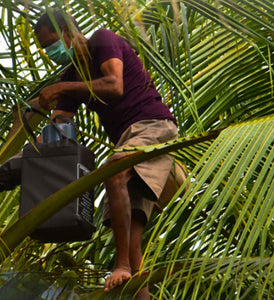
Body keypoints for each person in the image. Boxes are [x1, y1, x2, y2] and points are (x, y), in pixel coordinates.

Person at [34, 9, 178, 299]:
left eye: (51, 43)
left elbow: (114, 85)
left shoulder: (102, 40)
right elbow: (58, 127)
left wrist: (59, 87)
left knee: (114, 171)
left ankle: (120, 263)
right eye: (45, 49)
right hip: (128, 140)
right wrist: (31, 142)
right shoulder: (72, 75)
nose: (51, 51)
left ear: (66, 31)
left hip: (152, 124)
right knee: (131, 234)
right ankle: (136, 282)